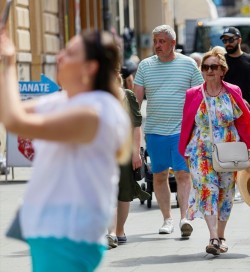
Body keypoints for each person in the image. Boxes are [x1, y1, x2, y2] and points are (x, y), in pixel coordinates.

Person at [0, 29, 130, 271]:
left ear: (90, 67)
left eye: (70, 53)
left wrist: (8, 62)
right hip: (53, 231)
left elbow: (14, 121)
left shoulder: (96, 111)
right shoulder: (64, 100)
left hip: (69, 234)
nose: (60, 56)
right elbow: (9, 109)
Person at [178, 46, 250, 255]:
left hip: (229, 151)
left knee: (225, 194)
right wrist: (184, 151)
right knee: (208, 191)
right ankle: (213, 237)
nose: (209, 70)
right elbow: (186, 124)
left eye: (214, 67)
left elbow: (243, 122)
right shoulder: (193, 94)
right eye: (205, 67)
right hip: (201, 151)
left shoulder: (233, 92)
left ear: (222, 70)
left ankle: (222, 235)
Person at [133, 25, 204, 237]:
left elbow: (200, 97)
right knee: (159, 174)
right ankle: (167, 219)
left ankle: (184, 218)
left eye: (162, 41)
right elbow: (135, 102)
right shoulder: (145, 66)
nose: (157, 45)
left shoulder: (189, 64)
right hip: (155, 131)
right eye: (155, 41)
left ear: (173, 44)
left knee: (183, 174)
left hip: (182, 131)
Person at [106, 72, 151, 249]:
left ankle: (119, 230)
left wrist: (136, 153)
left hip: (124, 153)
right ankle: (109, 233)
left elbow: (136, 127)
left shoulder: (127, 95)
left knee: (124, 193)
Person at [222, 26, 250, 171]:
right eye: (225, 40)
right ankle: (236, 181)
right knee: (231, 144)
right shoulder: (221, 62)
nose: (227, 43)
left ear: (239, 40)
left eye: (231, 39)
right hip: (227, 109)